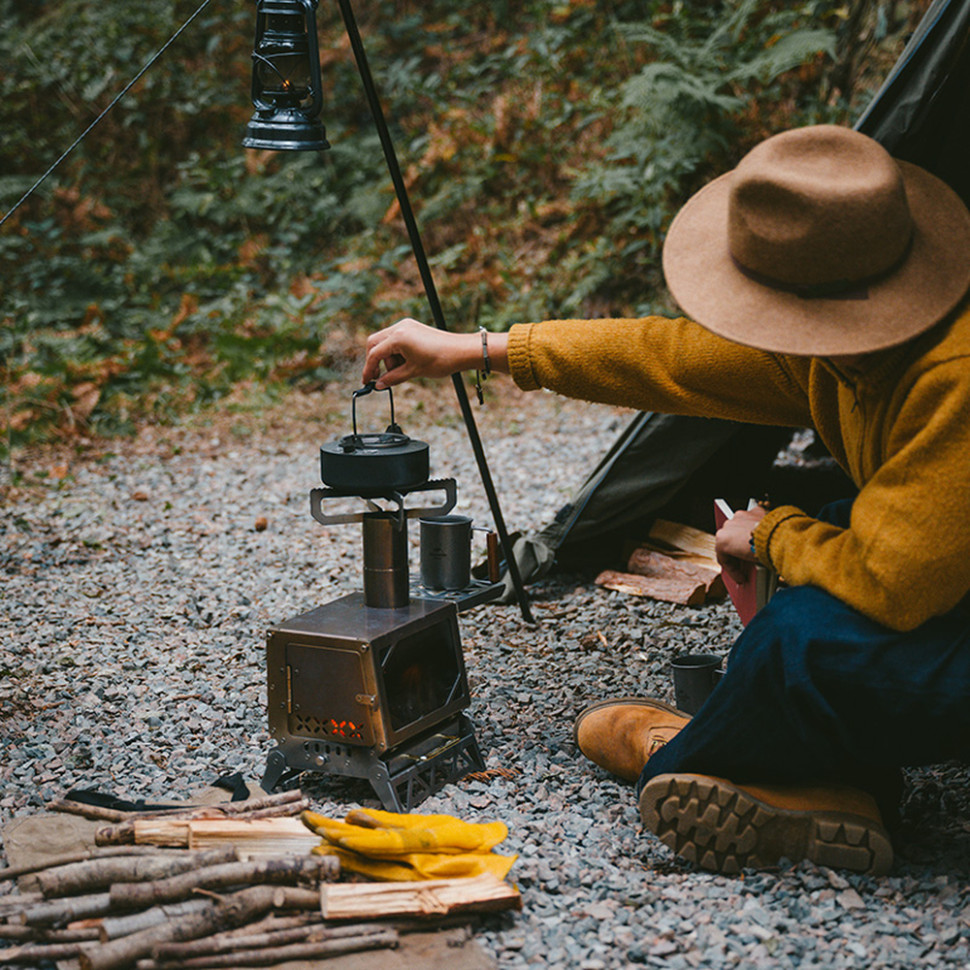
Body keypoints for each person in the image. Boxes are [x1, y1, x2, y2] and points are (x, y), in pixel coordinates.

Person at [362, 125, 970, 876]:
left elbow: (896, 582)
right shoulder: (850, 348)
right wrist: (478, 348)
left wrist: (774, 534)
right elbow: (670, 358)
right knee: (842, 535)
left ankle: (690, 752)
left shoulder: (955, 375)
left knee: (796, 642)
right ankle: (829, 781)